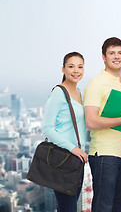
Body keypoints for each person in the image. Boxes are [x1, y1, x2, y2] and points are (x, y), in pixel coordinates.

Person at [84, 37, 121, 212]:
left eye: (119, 53)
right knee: (103, 206)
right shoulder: (96, 84)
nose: (116, 57)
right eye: (111, 53)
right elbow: (91, 121)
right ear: (104, 57)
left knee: (118, 207)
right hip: (104, 155)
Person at [42, 52, 87, 212]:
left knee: (68, 207)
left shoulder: (80, 93)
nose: (76, 71)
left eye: (80, 66)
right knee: (68, 208)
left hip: (77, 161)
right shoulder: (58, 93)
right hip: (62, 159)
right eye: (71, 66)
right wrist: (73, 148)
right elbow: (47, 127)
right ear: (63, 69)